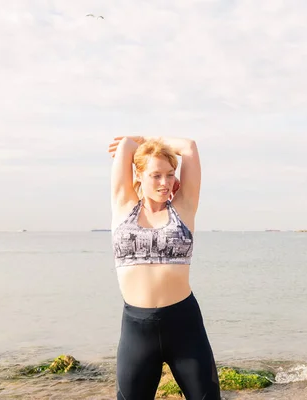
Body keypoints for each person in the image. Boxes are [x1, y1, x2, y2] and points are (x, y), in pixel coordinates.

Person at [107, 135, 220, 400]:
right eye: (155, 175)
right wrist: (142, 145)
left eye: (170, 174)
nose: (164, 183)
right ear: (139, 174)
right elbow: (125, 146)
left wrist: (150, 142)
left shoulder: (184, 207)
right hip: (137, 328)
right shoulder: (123, 206)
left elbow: (189, 146)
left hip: (184, 325)